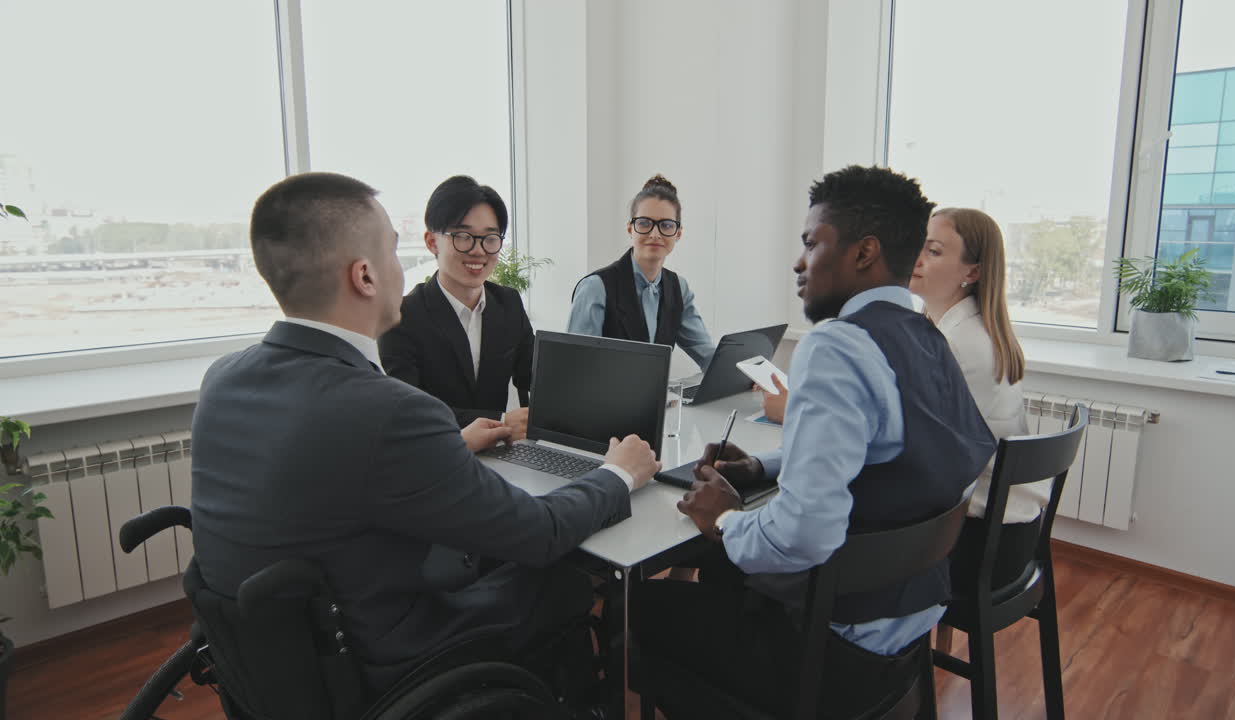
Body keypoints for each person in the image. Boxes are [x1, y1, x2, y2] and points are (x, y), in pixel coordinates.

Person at [190, 172, 660, 697]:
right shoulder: (389, 409)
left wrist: (455, 444)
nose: (403, 265)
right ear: (365, 276)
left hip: (280, 664)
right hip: (386, 657)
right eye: (394, 250)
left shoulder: (223, 379)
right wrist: (619, 474)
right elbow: (539, 533)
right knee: (562, 581)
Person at [631, 165, 996, 718]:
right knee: (725, 574)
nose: (799, 262)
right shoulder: (930, 338)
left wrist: (725, 518)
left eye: (810, 243)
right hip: (908, 624)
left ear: (863, 252)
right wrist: (763, 466)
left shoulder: (837, 345)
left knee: (636, 604)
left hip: (830, 654)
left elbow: (804, 534)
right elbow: (888, 457)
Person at [910, 207, 1041, 592]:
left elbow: (908, 443)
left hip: (981, 544)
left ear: (973, 273)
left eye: (933, 251)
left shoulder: (959, 344)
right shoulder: (956, 329)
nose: (916, 258)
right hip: (1006, 532)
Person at [379, 176, 533, 440]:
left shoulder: (507, 302)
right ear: (431, 242)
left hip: (505, 455)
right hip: (437, 454)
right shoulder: (401, 316)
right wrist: (502, 421)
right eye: (462, 236)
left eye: (490, 238)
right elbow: (410, 413)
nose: (478, 251)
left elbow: (534, 377)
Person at [567, 174, 716, 371]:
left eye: (666, 225)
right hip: (603, 400)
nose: (655, 234)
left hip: (655, 398)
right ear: (631, 228)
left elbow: (707, 353)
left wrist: (750, 375)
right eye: (645, 223)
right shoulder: (595, 287)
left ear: (678, 233)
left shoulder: (679, 288)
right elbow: (577, 366)